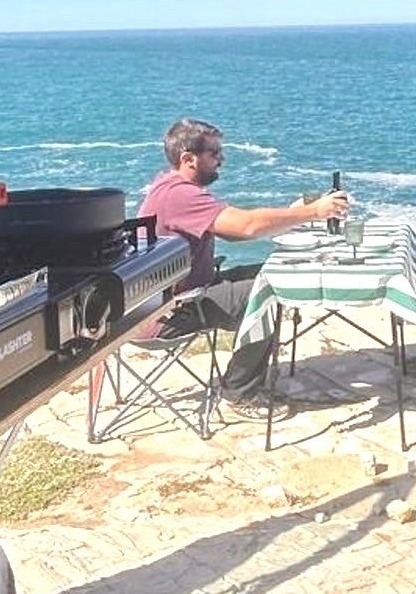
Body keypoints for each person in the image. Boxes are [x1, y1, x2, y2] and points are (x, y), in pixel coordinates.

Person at [137, 117, 346, 400]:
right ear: (188, 159)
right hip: (169, 312)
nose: (221, 160)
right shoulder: (180, 195)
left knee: (277, 273)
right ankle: (241, 392)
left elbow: (234, 233)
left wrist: (291, 214)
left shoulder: (169, 186)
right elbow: (247, 226)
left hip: (177, 297)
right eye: (214, 153)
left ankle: (247, 376)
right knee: (270, 291)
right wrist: (314, 212)